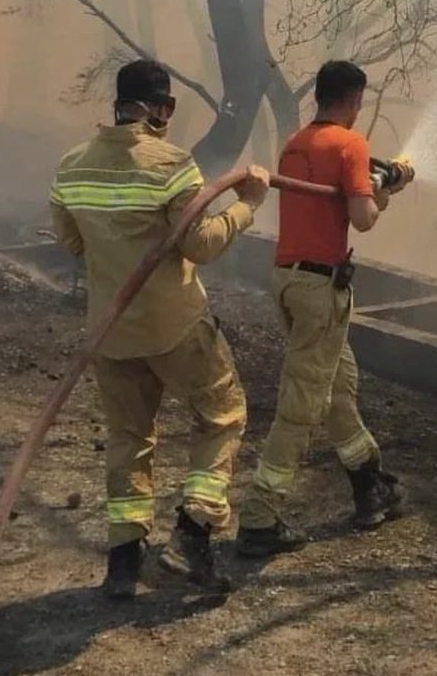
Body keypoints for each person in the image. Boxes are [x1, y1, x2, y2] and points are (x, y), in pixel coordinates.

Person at [49, 58, 270, 597]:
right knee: (223, 416)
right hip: (175, 325)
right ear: (157, 109)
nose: (168, 117)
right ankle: (193, 533)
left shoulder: (71, 166)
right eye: (167, 108)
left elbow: (72, 242)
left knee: (129, 438)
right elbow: (202, 244)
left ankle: (124, 563)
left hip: (110, 332)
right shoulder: (172, 164)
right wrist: (248, 205)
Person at [236, 59, 413, 557]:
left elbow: (324, 204)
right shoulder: (351, 144)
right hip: (321, 287)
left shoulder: (295, 145)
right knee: (302, 405)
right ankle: (259, 519)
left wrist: (371, 185)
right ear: (354, 99)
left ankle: (369, 486)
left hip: (288, 280)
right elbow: (363, 220)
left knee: (338, 389)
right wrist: (385, 190)